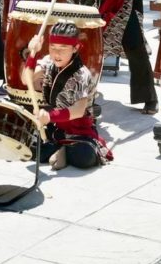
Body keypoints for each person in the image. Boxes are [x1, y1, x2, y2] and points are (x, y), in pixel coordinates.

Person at [22, 21, 113, 169]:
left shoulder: (81, 74)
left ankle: (62, 150)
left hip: (79, 132)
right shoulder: (48, 62)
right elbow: (26, 80)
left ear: (75, 48)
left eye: (63, 48)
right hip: (55, 129)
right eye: (53, 47)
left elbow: (78, 111)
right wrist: (32, 53)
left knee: (85, 157)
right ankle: (59, 149)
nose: (57, 53)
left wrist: (50, 116)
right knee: (29, 148)